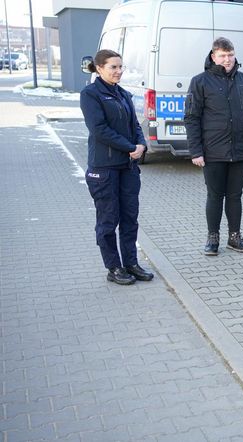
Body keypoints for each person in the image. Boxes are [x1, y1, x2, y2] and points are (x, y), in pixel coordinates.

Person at [184, 37, 243, 255]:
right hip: (213, 151)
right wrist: (196, 151)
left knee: (235, 195)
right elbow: (192, 118)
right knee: (215, 196)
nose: (227, 59)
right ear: (213, 56)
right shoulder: (200, 82)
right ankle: (213, 238)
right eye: (222, 55)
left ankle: (235, 237)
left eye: (230, 55)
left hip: (241, 150)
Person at [80, 49, 154, 285]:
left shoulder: (123, 94)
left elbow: (135, 124)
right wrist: (129, 146)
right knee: (108, 220)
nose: (119, 71)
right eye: (113, 67)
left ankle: (131, 263)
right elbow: (99, 129)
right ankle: (113, 267)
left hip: (128, 168)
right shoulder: (91, 94)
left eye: (121, 66)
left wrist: (141, 144)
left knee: (130, 218)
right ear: (99, 68)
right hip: (105, 169)